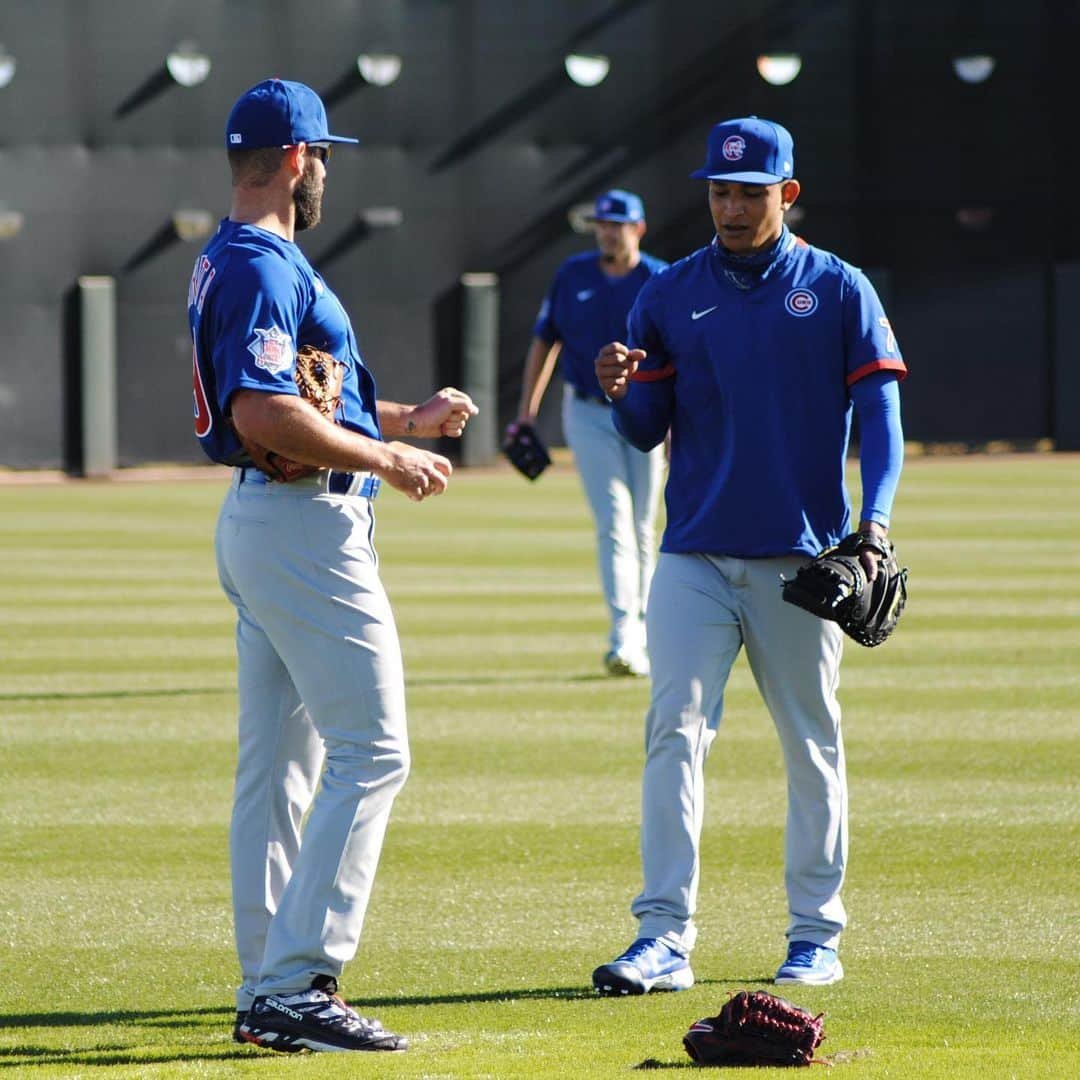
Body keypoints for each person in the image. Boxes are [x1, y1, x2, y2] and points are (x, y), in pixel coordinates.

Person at [186, 78, 478, 1053]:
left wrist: (400, 421)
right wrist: (389, 458)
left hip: (271, 524)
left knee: (280, 772)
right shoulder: (265, 266)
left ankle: (269, 982)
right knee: (373, 751)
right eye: (325, 158)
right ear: (300, 160)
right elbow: (262, 413)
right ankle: (299, 982)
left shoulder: (233, 259)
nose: (326, 175)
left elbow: (309, 398)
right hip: (303, 528)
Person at [590, 117, 906, 995]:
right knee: (673, 737)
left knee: (811, 746)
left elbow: (879, 415)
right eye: (720, 190)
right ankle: (663, 937)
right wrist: (622, 392)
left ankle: (815, 935)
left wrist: (873, 526)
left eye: (750, 190)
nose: (731, 205)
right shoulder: (668, 292)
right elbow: (646, 428)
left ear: (787, 194)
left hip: (800, 565)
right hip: (692, 554)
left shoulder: (837, 288)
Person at [508, 190, 668, 677]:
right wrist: (526, 414)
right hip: (588, 411)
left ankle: (645, 629)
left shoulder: (658, 278)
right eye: (602, 223)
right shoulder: (573, 274)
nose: (608, 231)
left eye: (617, 224)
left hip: (644, 409)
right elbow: (545, 341)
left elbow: (678, 356)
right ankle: (625, 634)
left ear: (638, 228)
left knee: (644, 526)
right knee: (615, 520)